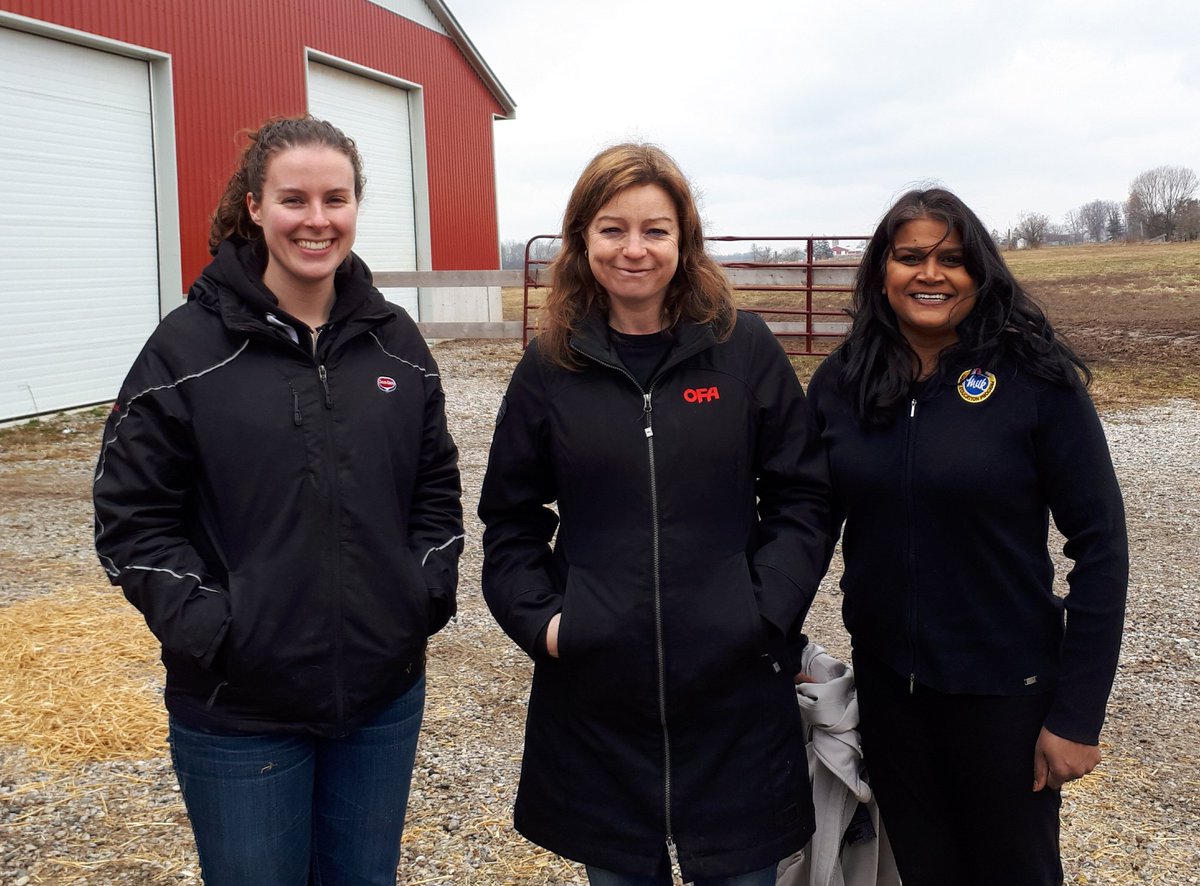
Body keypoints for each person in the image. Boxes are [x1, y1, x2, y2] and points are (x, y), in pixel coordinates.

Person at [92, 116, 464, 885]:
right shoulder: (186, 349)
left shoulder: (397, 344)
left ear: (357, 206)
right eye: (293, 198)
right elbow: (130, 519)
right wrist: (221, 630)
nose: (317, 219)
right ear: (255, 207)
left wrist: (417, 595)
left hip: (380, 695)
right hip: (238, 709)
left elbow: (435, 486)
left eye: (336, 198)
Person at [477, 143, 831, 886]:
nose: (633, 249)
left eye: (655, 230)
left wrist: (762, 613)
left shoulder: (743, 350)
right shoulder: (551, 366)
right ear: (581, 241)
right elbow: (509, 519)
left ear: (684, 240)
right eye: (612, 229)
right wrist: (548, 624)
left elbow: (802, 496)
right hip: (600, 705)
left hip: (733, 694)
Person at [805, 188, 1128, 885]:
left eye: (951, 258)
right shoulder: (844, 383)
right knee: (923, 872)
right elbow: (803, 524)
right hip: (892, 691)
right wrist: (770, 647)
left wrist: (1077, 713)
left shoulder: (1035, 381)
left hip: (1007, 696)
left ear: (979, 272)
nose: (930, 273)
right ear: (881, 272)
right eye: (910, 256)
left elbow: (1101, 545)